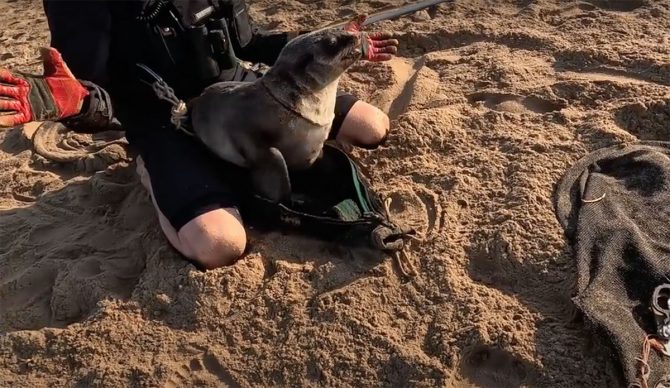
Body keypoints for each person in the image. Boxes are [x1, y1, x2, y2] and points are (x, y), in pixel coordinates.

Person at [0, 0, 398, 270]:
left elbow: (248, 42)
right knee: (219, 244)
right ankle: (152, 171)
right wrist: (77, 102)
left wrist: (332, 44)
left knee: (371, 126)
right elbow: (93, 90)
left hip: (237, 93)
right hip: (159, 118)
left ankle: (226, 162)